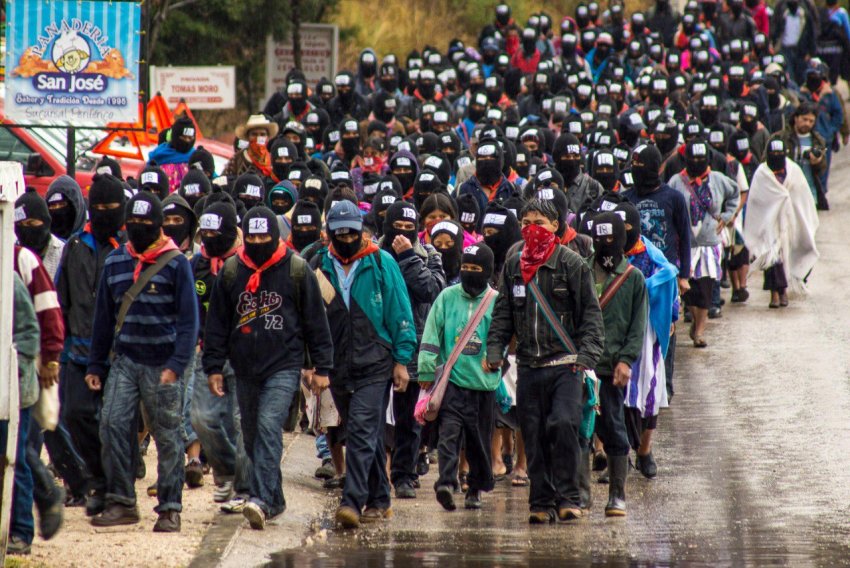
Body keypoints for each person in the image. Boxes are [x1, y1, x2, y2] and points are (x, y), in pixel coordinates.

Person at [203, 206, 334, 529]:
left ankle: (260, 498)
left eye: (264, 236)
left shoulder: (297, 270)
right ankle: (274, 500)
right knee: (250, 435)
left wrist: (322, 367)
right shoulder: (233, 271)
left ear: (275, 237)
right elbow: (217, 323)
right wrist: (213, 365)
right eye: (252, 237)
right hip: (244, 367)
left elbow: (316, 322)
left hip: (284, 365)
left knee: (267, 426)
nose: (258, 242)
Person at [85, 192, 199, 532]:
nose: (138, 229)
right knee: (112, 424)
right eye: (133, 223)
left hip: (163, 363)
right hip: (125, 360)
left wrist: (177, 365)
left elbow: (189, 321)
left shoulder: (177, 263)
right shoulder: (116, 262)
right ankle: (121, 501)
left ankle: (169, 508)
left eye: (146, 224)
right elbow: (103, 319)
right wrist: (95, 365)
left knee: (167, 436)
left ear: (160, 225)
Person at [486, 198, 605, 524]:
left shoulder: (572, 265)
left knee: (564, 423)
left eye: (539, 222)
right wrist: (494, 351)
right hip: (529, 366)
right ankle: (541, 501)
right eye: (525, 222)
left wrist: (587, 357)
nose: (531, 229)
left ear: (555, 225)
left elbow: (592, 317)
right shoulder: (513, 265)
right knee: (534, 433)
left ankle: (568, 497)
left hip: (566, 365)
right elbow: (502, 316)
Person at [310, 200, 417, 529]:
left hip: (375, 363)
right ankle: (381, 497)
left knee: (360, 430)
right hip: (336, 365)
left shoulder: (382, 263)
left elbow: (401, 314)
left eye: (351, 232)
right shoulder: (318, 266)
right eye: (338, 233)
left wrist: (402, 360)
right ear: (329, 234)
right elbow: (309, 319)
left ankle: (353, 501)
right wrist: (312, 365)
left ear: (361, 231)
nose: (345, 238)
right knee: (363, 434)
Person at [55, 174, 127, 517]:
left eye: (111, 208)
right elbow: (60, 298)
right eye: (97, 207)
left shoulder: (128, 249)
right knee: (74, 414)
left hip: (117, 354)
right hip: (76, 350)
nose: (103, 213)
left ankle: (116, 487)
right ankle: (98, 479)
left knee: (113, 423)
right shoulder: (75, 246)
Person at [419, 243, 500, 512]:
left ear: (487, 271)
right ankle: (445, 481)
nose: (469, 273)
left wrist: (497, 358)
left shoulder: (496, 301)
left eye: (476, 269)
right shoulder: (446, 297)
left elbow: (503, 336)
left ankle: (475, 489)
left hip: (483, 385)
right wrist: (427, 368)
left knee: (478, 442)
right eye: (466, 267)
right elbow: (432, 333)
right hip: (451, 383)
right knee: (448, 435)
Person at [379, 201, 446, 499]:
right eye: (397, 228)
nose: (402, 234)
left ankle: (404, 475)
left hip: (415, 349)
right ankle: (376, 474)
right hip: (378, 346)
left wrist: (407, 257)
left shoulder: (429, 255)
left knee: (408, 420)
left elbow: (432, 290)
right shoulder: (372, 253)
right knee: (375, 416)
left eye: (409, 229)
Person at [189, 201, 252, 512]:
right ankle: (226, 468)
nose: (210, 238)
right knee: (201, 417)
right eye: (206, 232)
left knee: (242, 422)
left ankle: (243, 486)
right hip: (207, 353)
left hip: (243, 354)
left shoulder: (246, 265)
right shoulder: (195, 265)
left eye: (216, 232)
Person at [587, 211, 647, 516]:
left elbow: (638, 325)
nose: (604, 243)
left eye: (610, 238)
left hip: (612, 368)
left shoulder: (633, 278)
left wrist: (626, 360)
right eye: (599, 238)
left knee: (613, 426)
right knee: (576, 428)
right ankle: (578, 493)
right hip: (583, 365)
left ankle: (617, 494)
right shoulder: (582, 270)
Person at [616, 202, 678, 479]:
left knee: (649, 390)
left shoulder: (653, 257)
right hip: (614, 328)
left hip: (647, 331)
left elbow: (669, 285)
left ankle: (645, 451)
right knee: (617, 392)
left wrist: (672, 315)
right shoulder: (606, 254)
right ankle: (619, 453)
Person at [668, 139, 739, 348]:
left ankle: (699, 331)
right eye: (693, 158)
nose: (697, 162)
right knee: (689, 290)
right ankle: (693, 317)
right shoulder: (675, 181)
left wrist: (726, 216)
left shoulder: (718, 179)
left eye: (701, 158)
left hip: (709, 243)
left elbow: (735, 193)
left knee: (706, 289)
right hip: (685, 244)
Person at [744, 138, 819, 307]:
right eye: (773, 154)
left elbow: (802, 197)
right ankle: (775, 294)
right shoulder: (762, 173)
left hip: (789, 223)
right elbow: (756, 199)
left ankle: (783, 291)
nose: (776, 157)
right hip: (769, 224)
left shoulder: (793, 171)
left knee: (787, 257)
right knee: (772, 258)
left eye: (780, 154)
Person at [4, 274, 40, 555]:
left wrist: (14, 368)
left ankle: (21, 530)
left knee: (15, 460)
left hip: (14, 389)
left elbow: (30, 331)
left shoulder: (8, 277)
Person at [780, 103, 828, 205]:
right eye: (804, 119)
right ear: (796, 118)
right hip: (787, 193)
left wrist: (817, 162)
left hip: (809, 193)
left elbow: (822, 170)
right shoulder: (782, 138)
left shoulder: (818, 141)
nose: (807, 124)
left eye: (811, 121)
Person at [149, 116, 198, 192]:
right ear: (175, 136)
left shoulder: (197, 157)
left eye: (190, 138)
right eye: (184, 138)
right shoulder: (158, 156)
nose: (187, 141)